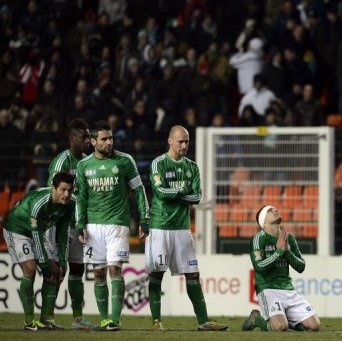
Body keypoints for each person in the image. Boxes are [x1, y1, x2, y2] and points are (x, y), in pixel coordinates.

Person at [145, 125, 228, 331]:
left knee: (193, 274)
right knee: (157, 274)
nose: (184, 145)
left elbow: (197, 197)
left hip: (183, 228)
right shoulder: (158, 164)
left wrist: (177, 192)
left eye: (187, 141)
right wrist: (182, 192)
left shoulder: (192, 166)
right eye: (180, 141)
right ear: (170, 141)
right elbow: (160, 191)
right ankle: (156, 321)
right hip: (160, 226)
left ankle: (203, 321)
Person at [75, 120, 150, 331]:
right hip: (93, 226)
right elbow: (80, 198)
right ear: (92, 141)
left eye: (111, 138)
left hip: (117, 224)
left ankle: (114, 320)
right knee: (99, 273)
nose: (109, 142)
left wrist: (144, 219)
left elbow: (140, 190)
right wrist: (80, 224)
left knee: (115, 269)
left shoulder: (125, 161)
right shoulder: (84, 165)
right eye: (104, 139)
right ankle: (104, 319)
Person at [3, 172, 76, 331]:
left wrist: (62, 262)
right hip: (18, 229)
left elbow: (63, 233)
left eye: (69, 190)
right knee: (30, 270)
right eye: (63, 190)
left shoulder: (70, 204)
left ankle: (46, 320)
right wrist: (45, 266)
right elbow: (36, 236)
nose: (67, 194)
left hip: (38, 231)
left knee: (56, 271)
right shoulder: (39, 204)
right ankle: (29, 322)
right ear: (54, 188)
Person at [46, 118, 95, 330]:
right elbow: (53, 195)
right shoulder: (61, 162)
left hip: (78, 224)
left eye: (89, 137)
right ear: (72, 139)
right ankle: (46, 318)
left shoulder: (87, 161)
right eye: (84, 137)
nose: (88, 140)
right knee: (56, 271)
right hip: (60, 225)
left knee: (77, 269)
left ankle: (77, 318)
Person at [242, 205, 321, 332]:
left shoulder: (289, 238)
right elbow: (259, 267)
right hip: (267, 289)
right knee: (279, 327)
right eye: (269, 210)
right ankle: (256, 319)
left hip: (288, 290)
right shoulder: (259, 239)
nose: (275, 209)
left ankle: (286, 319)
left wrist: (287, 252)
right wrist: (278, 252)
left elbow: (301, 266)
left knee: (315, 325)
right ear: (264, 221)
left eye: (274, 208)